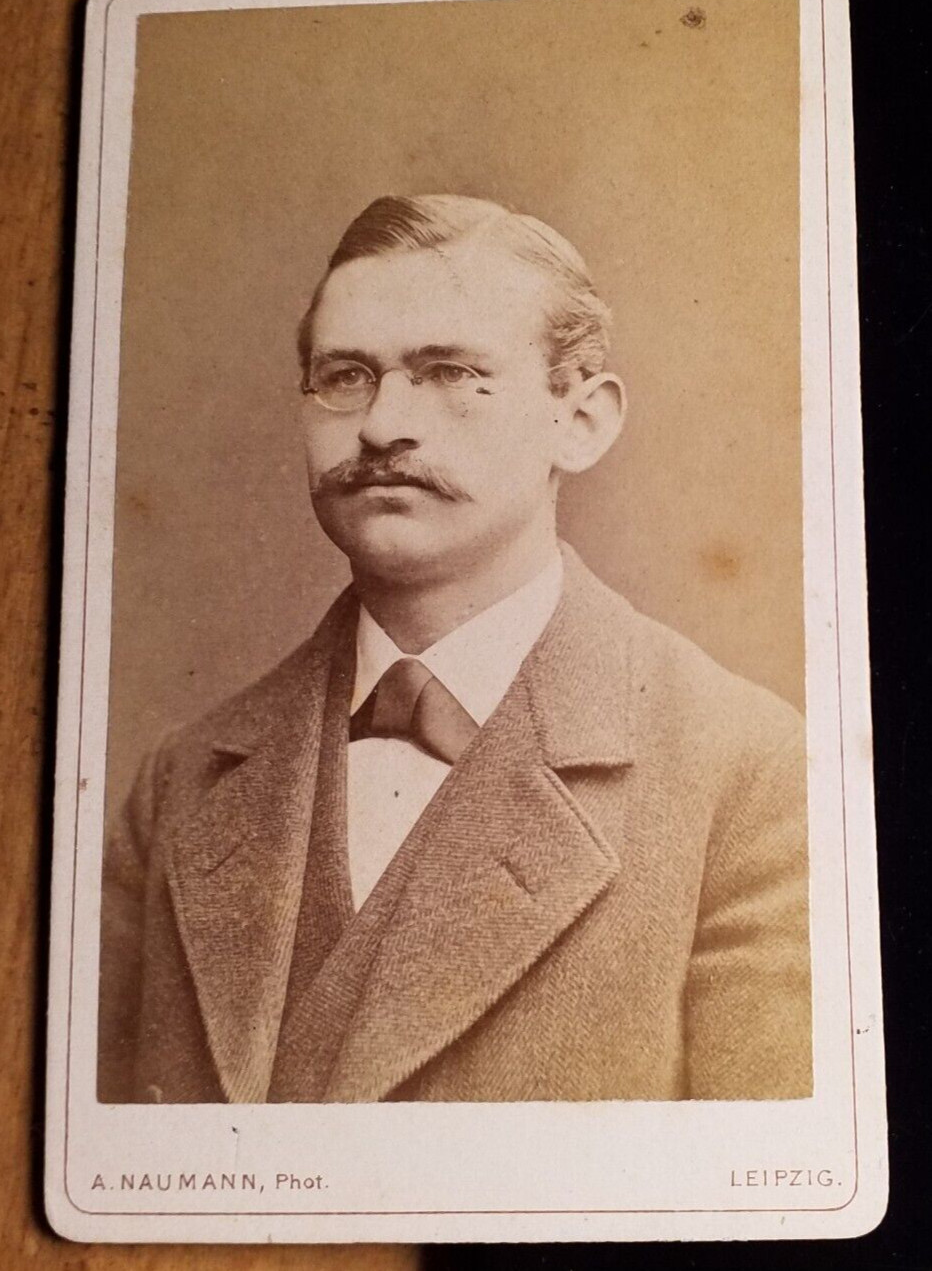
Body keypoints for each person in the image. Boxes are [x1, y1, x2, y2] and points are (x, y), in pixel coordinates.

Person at [98, 194, 811, 1105]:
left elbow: (753, 1212)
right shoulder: (181, 782)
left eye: (452, 373)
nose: (382, 424)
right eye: (345, 375)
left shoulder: (744, 775)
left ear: (581, 420)